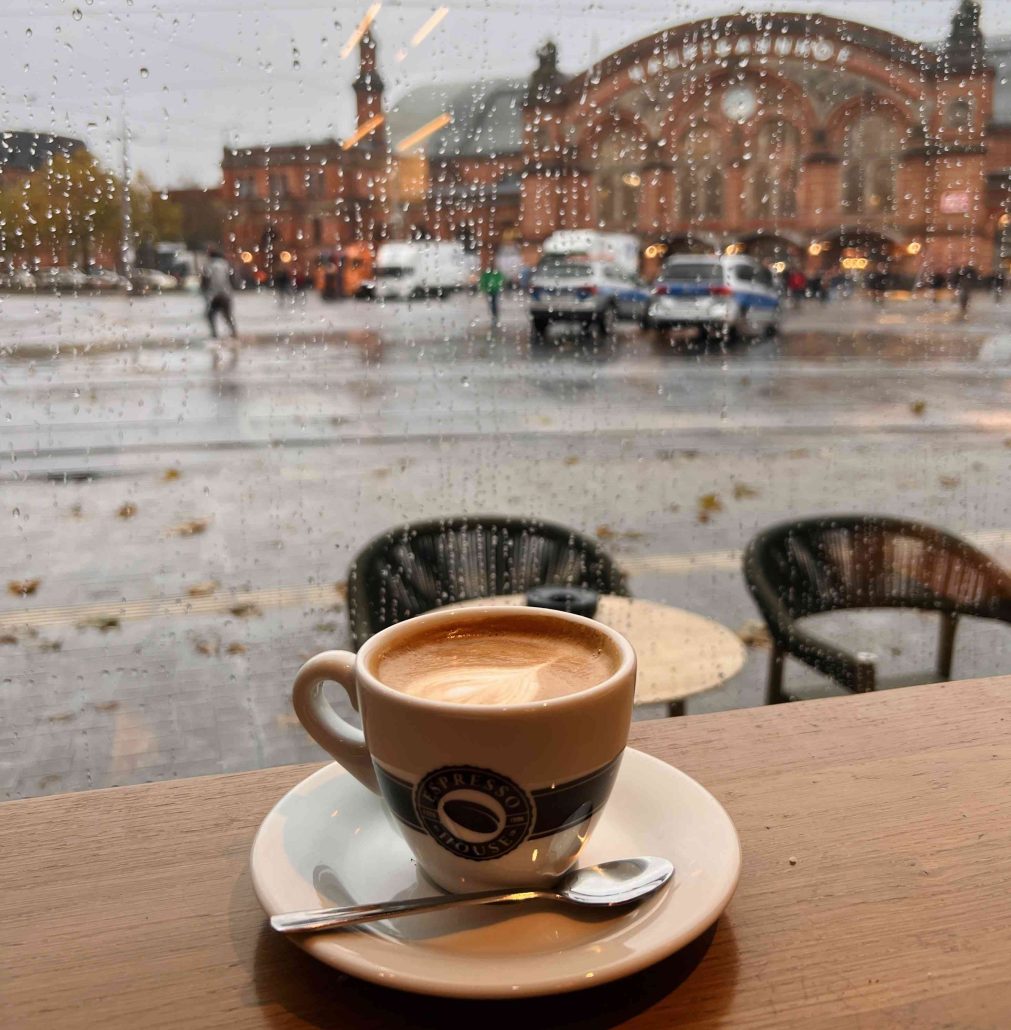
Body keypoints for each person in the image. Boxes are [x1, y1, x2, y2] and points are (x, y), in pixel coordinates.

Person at [200, 247, 238, 361]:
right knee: (227, 315)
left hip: (214, 295)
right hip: (226, 294)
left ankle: (214, 335)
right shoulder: (226, 264)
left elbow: (205, 280)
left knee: (210, 316)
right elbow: (232, 278)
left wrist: (204, 291)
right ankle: (234, 334)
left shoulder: (209, 265)